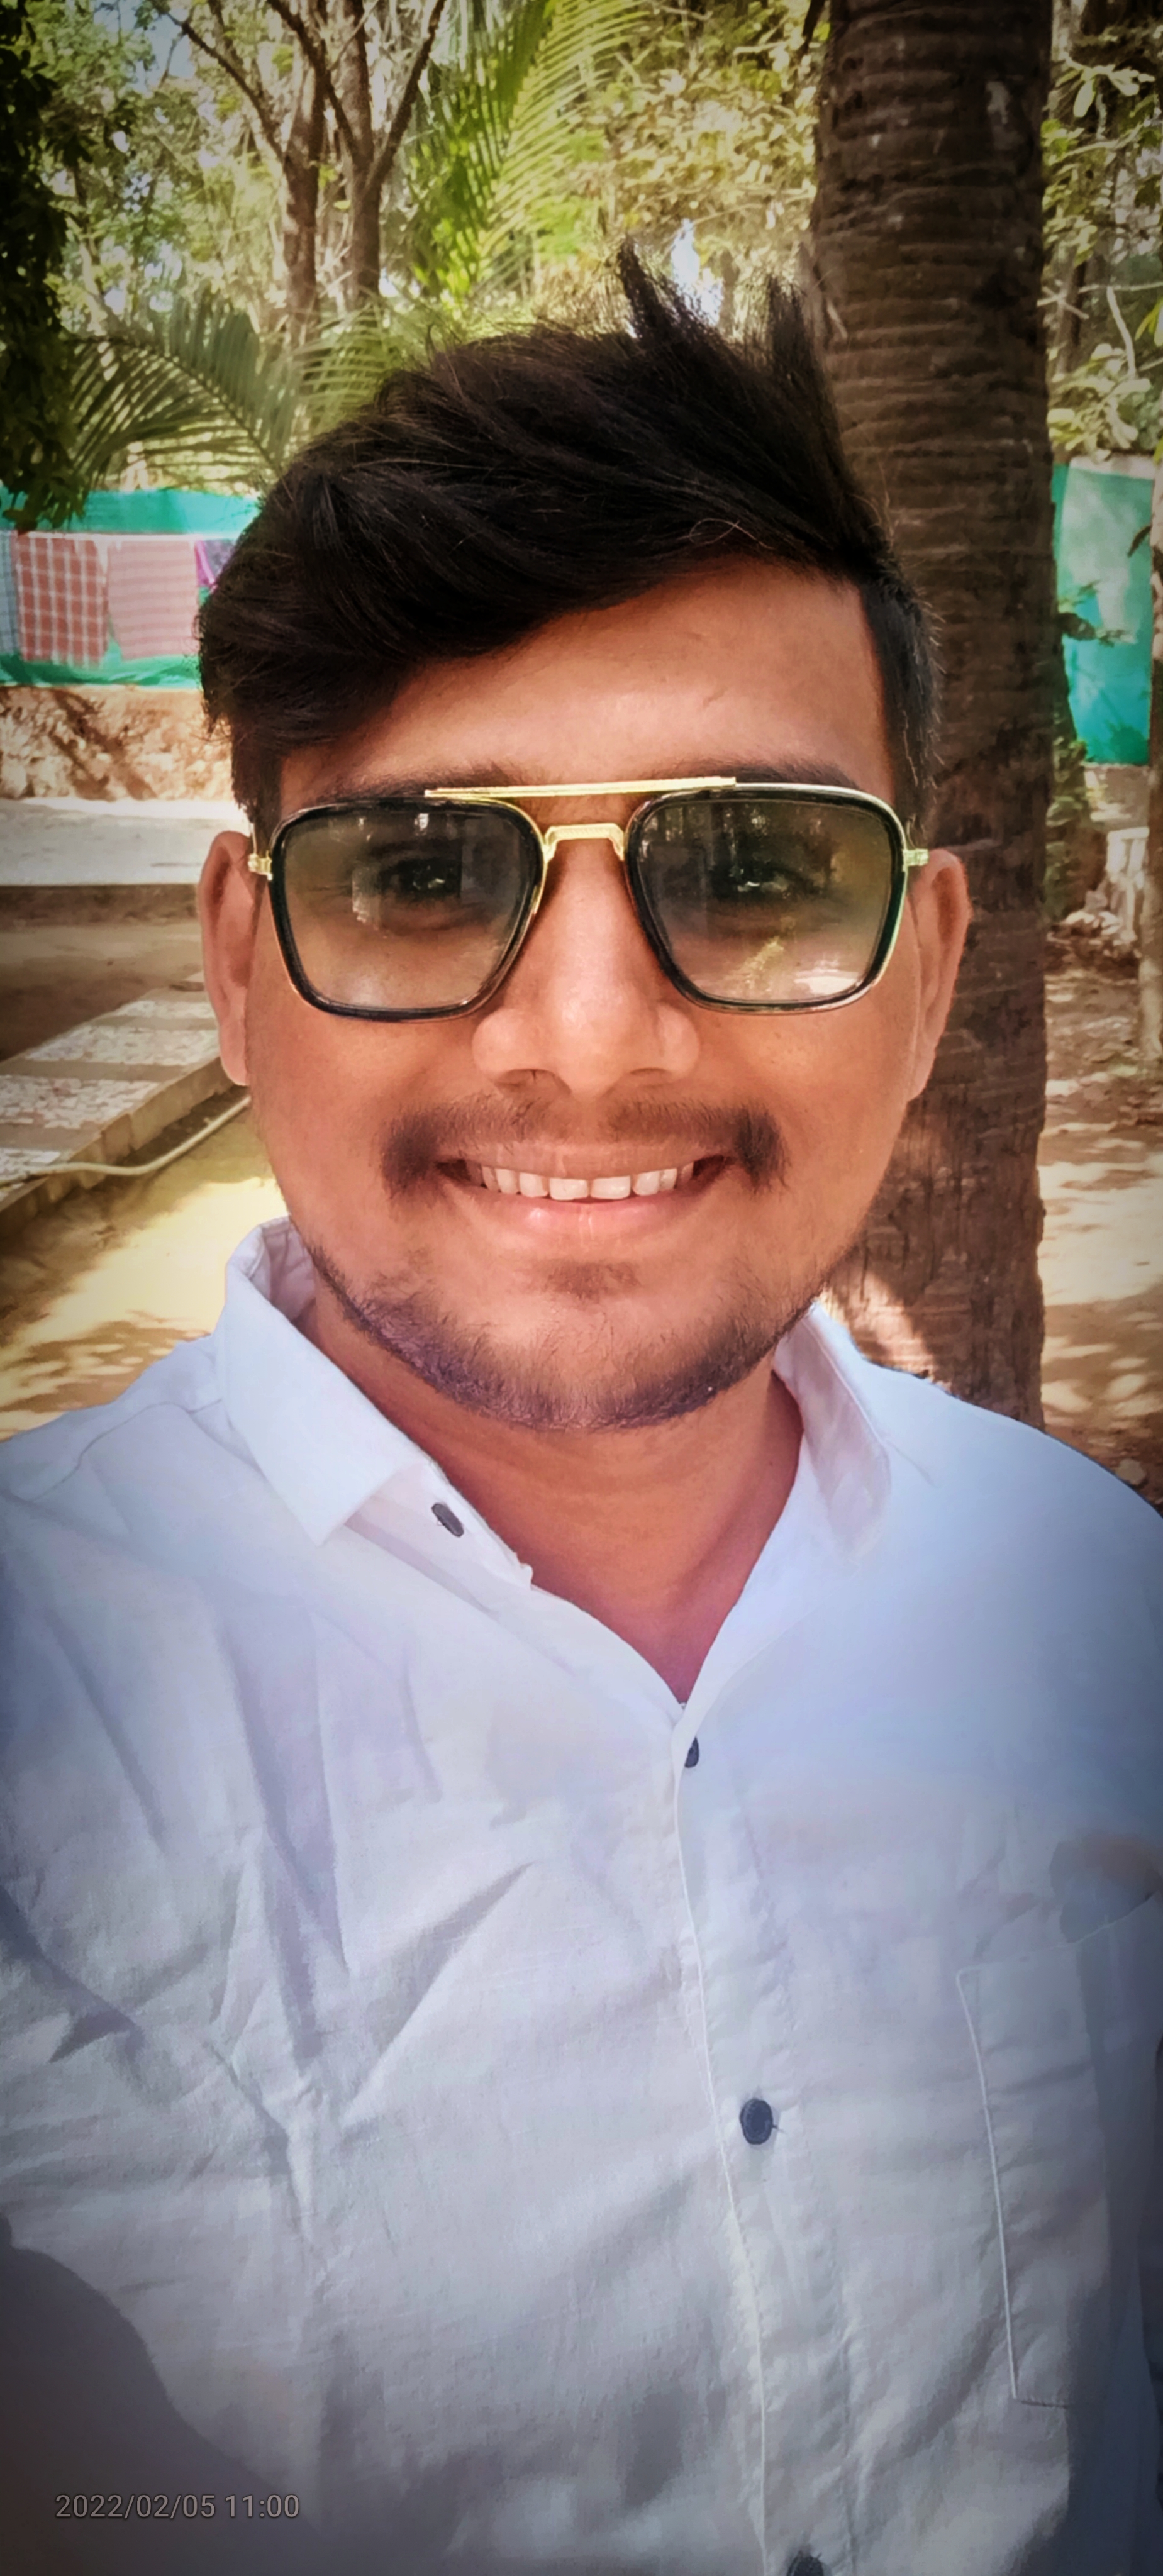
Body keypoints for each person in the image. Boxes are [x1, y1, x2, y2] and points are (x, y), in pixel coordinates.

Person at [1, 250, 1160, 2576]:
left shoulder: (1096, 1611)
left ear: (927, 972)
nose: (593, 1039)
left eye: (757, 869)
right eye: (422, 874)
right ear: (239, 963)